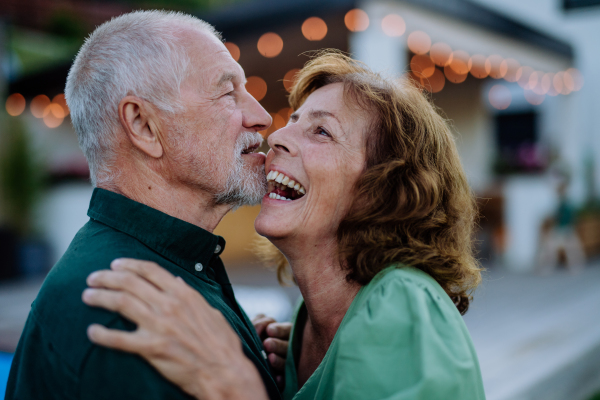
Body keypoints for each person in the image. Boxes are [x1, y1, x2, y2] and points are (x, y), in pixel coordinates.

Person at [82, 51, 487, 399]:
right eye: (293, 121)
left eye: (322, 131)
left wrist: (233, 380)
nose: (276, 136)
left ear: (382, 189)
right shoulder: (303, 326)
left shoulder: (403, 306)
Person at [6, 10, 288, 400]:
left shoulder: (173, 269)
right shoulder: (128, 317)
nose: (260, 116)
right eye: (228, 93)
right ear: (142, 124)